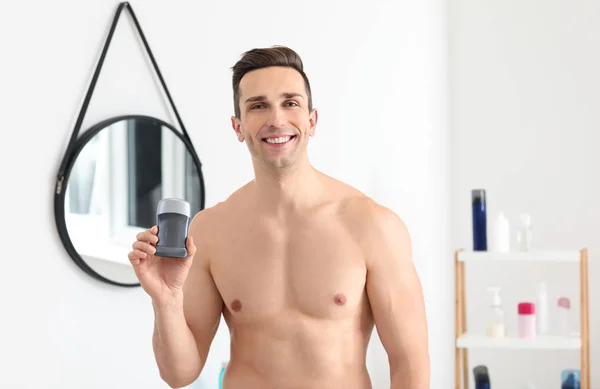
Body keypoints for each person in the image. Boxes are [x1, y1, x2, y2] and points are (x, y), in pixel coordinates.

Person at [128, 46, 430, 389]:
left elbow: (410, 365)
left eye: (290, 103)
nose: (276, 119)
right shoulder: (211, 230)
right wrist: (166, 301)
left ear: (312, 120)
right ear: (238, 126)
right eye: (258, 106)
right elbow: (179, 374)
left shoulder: (372, 225)